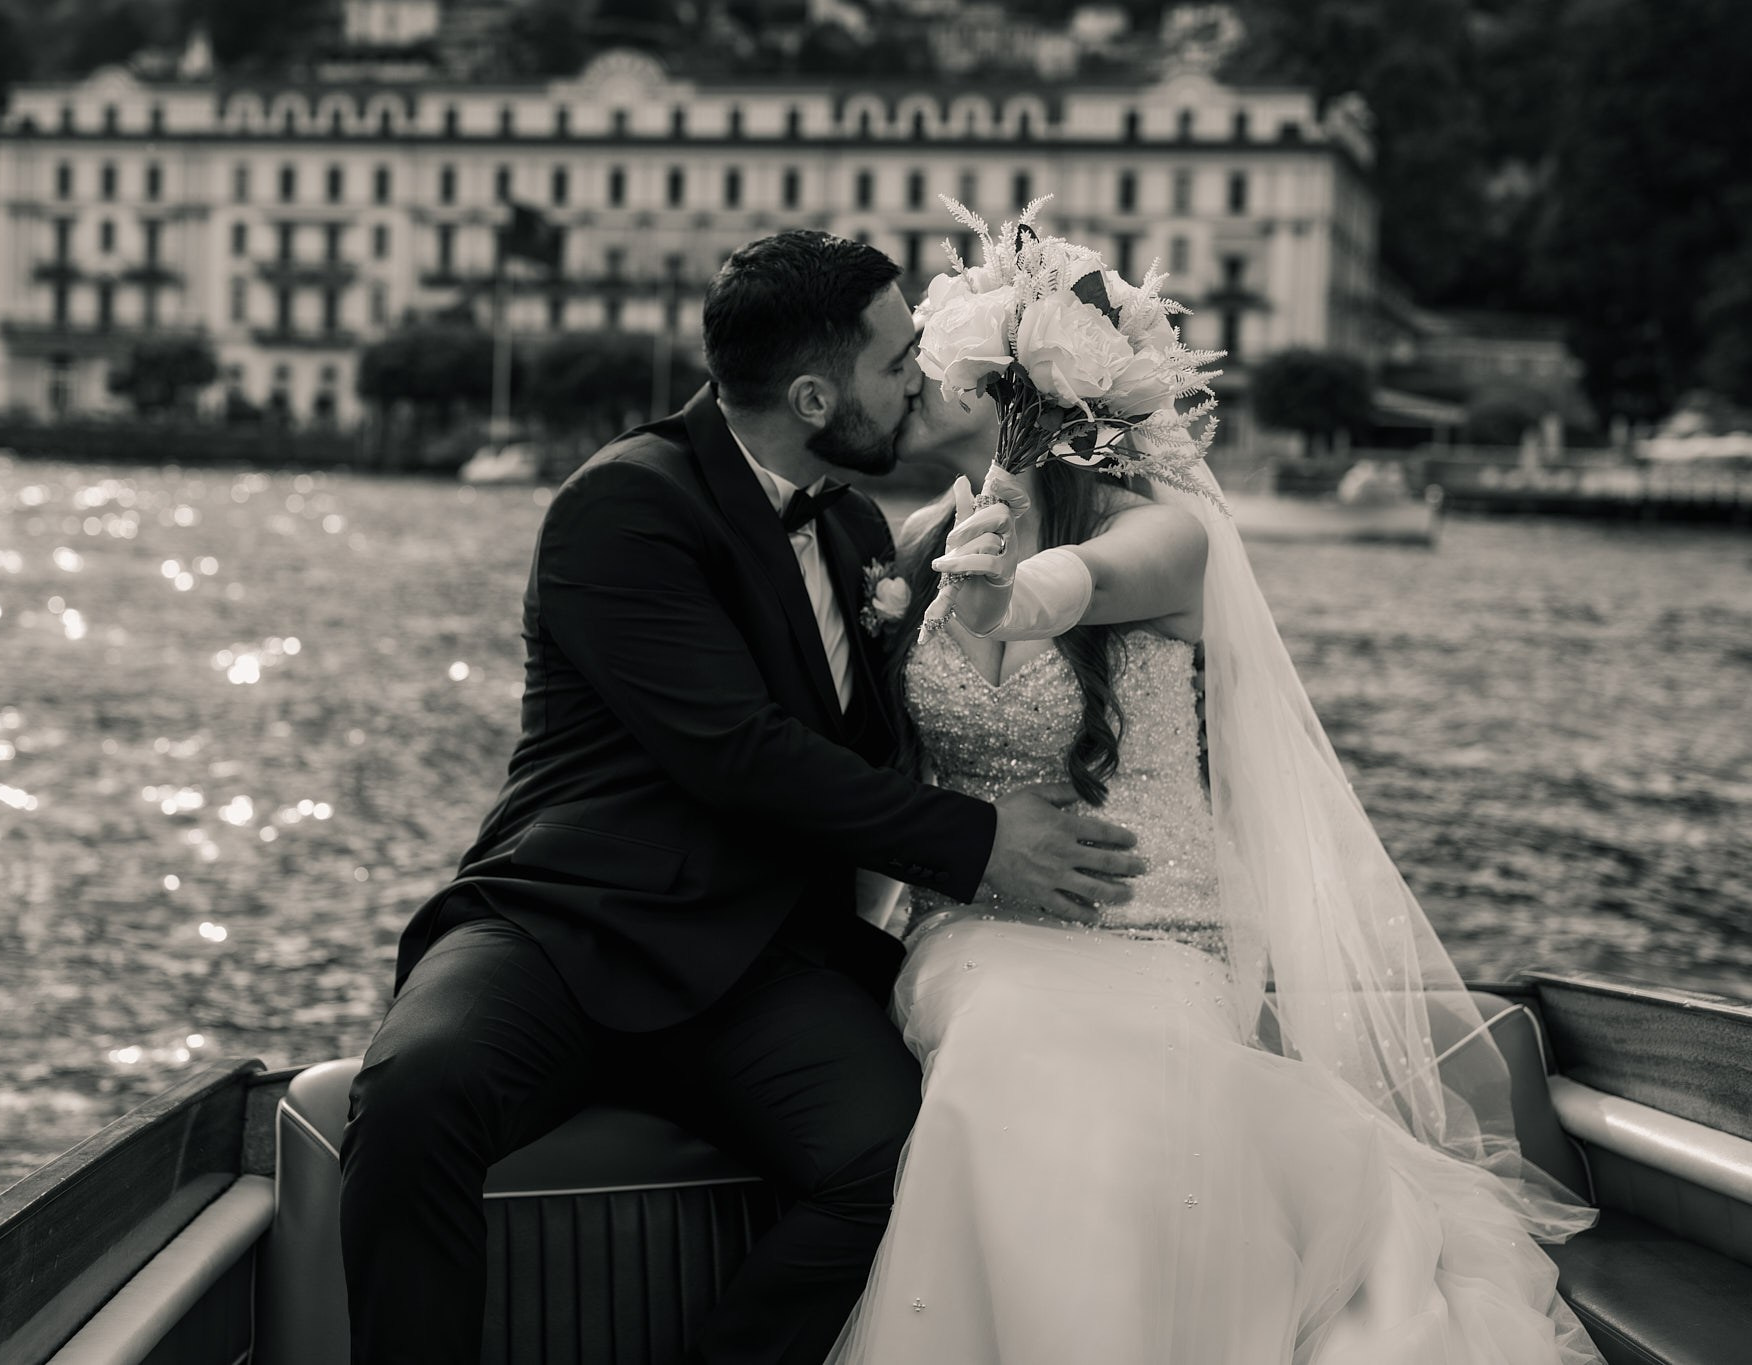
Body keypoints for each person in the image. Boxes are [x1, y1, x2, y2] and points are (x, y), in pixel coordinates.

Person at [338, 230, 1150, 1365]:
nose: (919, 375)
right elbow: (736, 752)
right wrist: (973, 844)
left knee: (894, 1162)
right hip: (570, 926)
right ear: (814, 394)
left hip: (758, 962)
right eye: (893, 359)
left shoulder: (859, 528)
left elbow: (875, 748)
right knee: (414, 1095)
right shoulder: (622, 505)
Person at [823, 380, 1604, 1363]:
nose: (903, 383)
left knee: (1129, 1088)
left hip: (1158, 930)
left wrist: (1005, 593)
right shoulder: (901, 547)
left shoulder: (1159, 536)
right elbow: (876, 782)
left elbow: (1090, 585)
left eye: (937, 364)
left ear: (1019, 387)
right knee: (1005, 1035)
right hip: (972, 931)